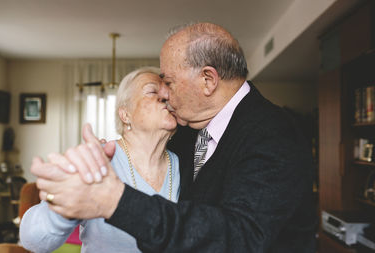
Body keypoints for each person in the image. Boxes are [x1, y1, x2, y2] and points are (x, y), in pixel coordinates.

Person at [30, 23, 317, 252]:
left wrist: (114, 200)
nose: (165, 93)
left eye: (167, 81)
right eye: (155, 88)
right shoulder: (189, 136)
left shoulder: (276, 135)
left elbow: (239, 238)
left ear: (208, 80)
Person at [19, 67, 180, 253]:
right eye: (152, 91)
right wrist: (64, 210)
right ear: (125, 114)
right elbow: (33, 240)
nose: (166, 97)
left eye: (169, 91)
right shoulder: (97, 159)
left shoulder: (186, 165)